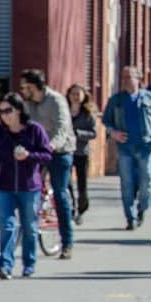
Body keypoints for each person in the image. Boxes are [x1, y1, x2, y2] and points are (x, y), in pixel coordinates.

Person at [0, 93, 53, 279]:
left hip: (29, 187)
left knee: (29, 227)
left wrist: (29, 156)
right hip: (4, 186)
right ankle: (5, 266)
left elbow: (47, 155)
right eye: (1, 112)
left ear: (19, 110)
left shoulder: (34, 130)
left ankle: (29, 264)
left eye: (8, 110)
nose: (4, 115)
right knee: (7, 226)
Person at [102, 66, 151, 230]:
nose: (125, 80)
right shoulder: (116, 99)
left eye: (129, 76)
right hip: (125, 148)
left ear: (138, 78)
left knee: (146, 181)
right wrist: (113, 133)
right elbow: (106, 121)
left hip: (146, 147)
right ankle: (130, 217)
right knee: (127, 183)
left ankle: (142, 209)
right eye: (123, 77)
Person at [19, 69, 77, 258]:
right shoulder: (27, 104)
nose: (22, 90)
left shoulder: (56, 100)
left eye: (25, 87)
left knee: (59, 193)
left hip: (60, 151)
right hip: (37, 151)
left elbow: (62, 128)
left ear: (34, 86)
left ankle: (67, 243)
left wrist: (50, 146)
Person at [67, 84, 98, 231]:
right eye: (73, 93)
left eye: (78, 94)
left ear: (84, 96)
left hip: (81, 152)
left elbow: (93, 133)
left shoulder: (88, 113)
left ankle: (82, 209)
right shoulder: (64, 111)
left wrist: (78, 133)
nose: (75, 96)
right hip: (66, 151)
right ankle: (71, 208)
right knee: (66, 183)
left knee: (82, 185)